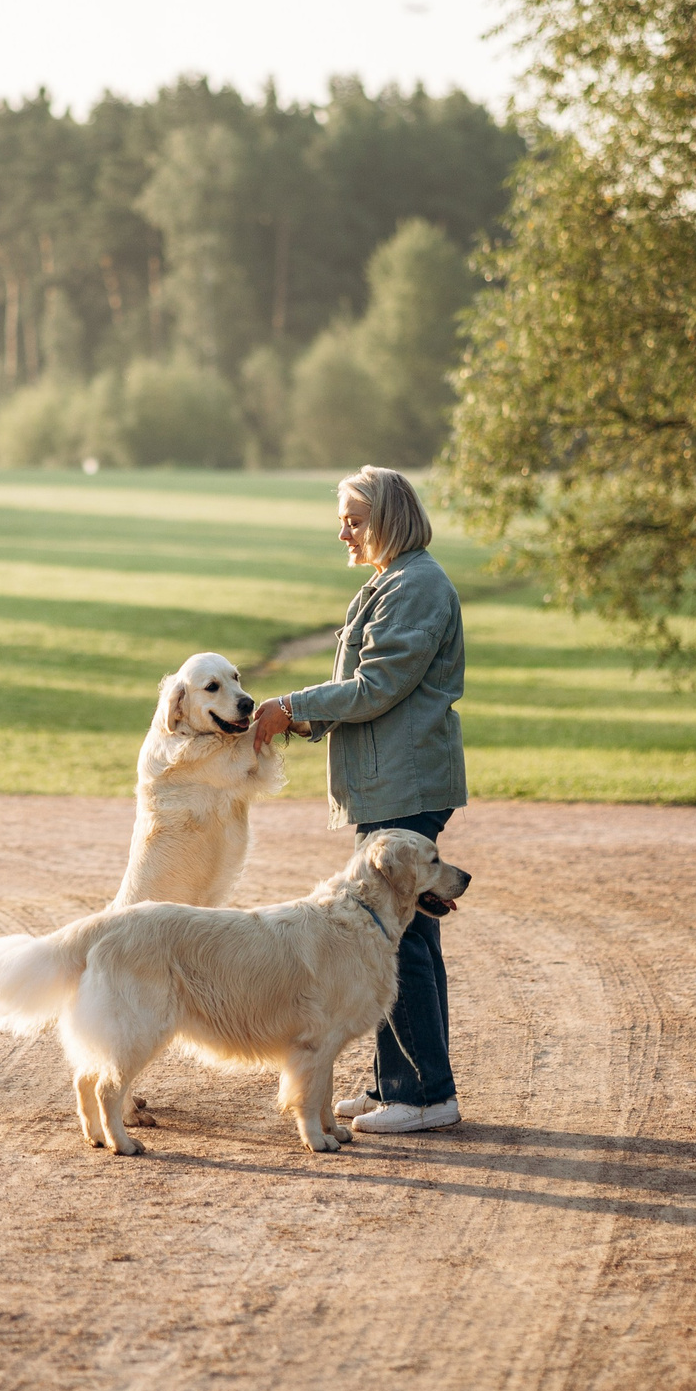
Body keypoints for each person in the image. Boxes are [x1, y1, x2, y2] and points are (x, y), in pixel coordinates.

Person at [248, 465, 467, 1134]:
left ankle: (423, 1096)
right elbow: (368, 688)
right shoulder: (393, 580)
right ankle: (394, 1083)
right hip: (388, 780)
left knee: (397, 939)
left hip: (405, 783)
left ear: (388, 519)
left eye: (354, 520)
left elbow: (376, 688)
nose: (343, 532)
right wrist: (302, 718)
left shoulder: (417, 585)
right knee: (396, 934)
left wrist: (292, 707)